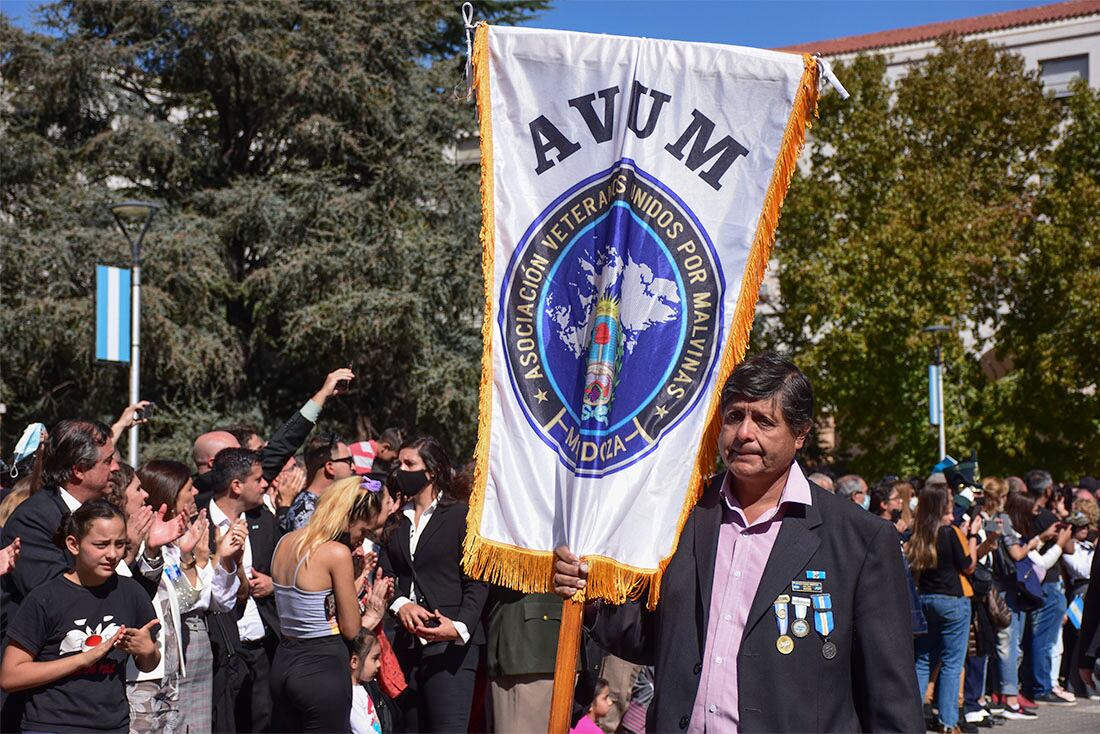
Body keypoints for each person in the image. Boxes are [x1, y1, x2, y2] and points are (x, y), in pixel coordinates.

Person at [554, 352, 923, 732]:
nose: (745, 433)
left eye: (764, 421)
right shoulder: (680, 516)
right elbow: (648, 635)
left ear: (800, 435)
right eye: (734, 417)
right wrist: (593, 595)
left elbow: (890, 697)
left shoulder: (859, 540)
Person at [0, 501, 160, 733]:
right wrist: (82, 659)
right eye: (101, 545)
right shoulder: (46, 598)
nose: (112, 554)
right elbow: (10, 676)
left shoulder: (132, 592)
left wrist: (148, 651)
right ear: (74, 545)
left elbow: (148, 663)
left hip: (111, 725)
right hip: (51, 725)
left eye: (120, 544)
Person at [380, 435, 490, 732]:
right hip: (406, 647)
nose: (401, 470)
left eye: (409, 463)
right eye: (398, 463)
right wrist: (400, 604)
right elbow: (385, 571)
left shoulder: (459, 516)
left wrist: (458, 627)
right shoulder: (395, 520)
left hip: (451, 651)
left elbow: (477, 581)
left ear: (431, 471)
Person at [269, 475, 394, 732]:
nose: (362, 539)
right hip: (321, 667)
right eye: (363, 530)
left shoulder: (284, 542)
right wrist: (369, 609)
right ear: (347, 517)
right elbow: (350, 628)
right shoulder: (336, 553)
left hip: (283, 662)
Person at [192, 367, 356, 509]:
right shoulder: (190, 501)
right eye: (235, 455)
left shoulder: (253, 498)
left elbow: (285, 441)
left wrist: (322, 395)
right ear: (213, 463)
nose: (249, 461)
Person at [206, 447, 281, 733]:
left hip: (261, 646)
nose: (265, 484)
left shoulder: (265, 521)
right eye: (258, 479)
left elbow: (286, 572)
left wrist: (274, 584)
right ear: (236, 485)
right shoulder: (198, 523)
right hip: (221, 649)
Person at [908, 484, 980, 733]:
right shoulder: (949, 532)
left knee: (922, 660)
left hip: (926, 599)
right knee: (951, 662)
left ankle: (912, 721)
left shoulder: (919, 531)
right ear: (943, 505)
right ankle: (948, 723)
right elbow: (968, 565)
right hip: (952, 600)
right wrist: (972, 535)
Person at [1022, 469, 1076, 705]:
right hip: (1049, 582)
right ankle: (1042, 685)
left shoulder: (1022, 515)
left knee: (1034, 637)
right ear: (1047, 490)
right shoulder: (1045, 517)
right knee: (1045, 638)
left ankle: (1035, 683)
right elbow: (1071, 548)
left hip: (1030, 582)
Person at [281, 434, 357, 532]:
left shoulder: (330, 503)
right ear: (330, 467)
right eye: (349, 461)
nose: (353, 467)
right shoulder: (306, 513)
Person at [349, 629, 394, 734]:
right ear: (354, 661)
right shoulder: (352, 696)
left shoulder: (361, 687)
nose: (378, 664)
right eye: (374, 658)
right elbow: (362, 731)